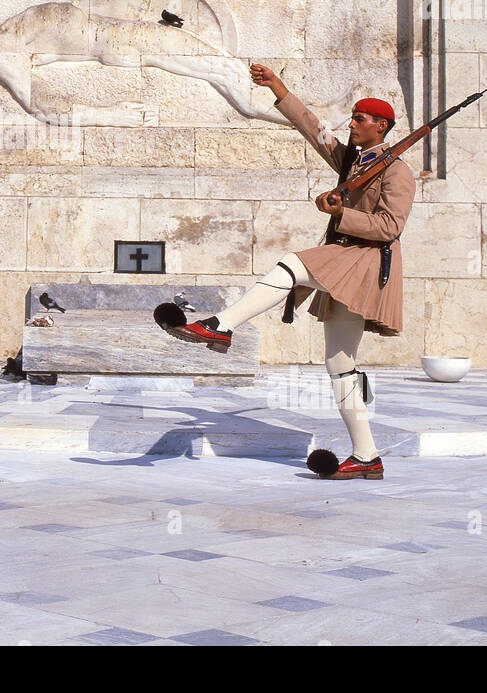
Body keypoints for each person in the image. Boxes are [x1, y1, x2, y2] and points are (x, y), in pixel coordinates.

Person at [155, 63, 414, 481]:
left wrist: (341, 213)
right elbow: (315, 130)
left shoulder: (398, 172)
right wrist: (278, 87)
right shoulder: (354, 160)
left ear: (381, 127)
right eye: (353, 116)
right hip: (346, 262)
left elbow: (390, 227)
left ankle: (221, 326)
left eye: (360, 119)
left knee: (294, 263)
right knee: (340, 365)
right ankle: (367, 456)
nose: (352, 123)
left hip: (366, 264)